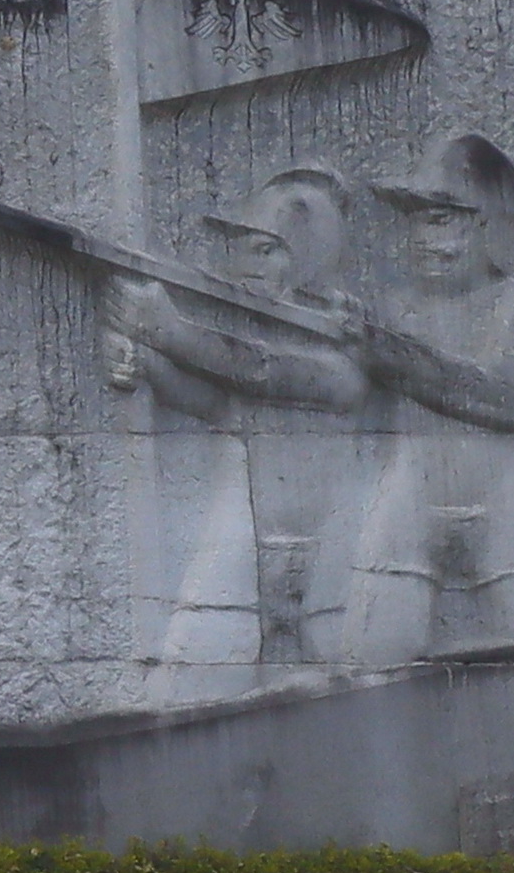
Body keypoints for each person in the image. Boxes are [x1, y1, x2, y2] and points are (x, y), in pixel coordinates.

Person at [109, 167, 369, 693]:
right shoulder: (262, 330)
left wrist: (169, 331)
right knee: (189, 669)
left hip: (328, 553)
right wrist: (145, 363)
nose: (246, 264)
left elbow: (261, 369)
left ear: (309, 258)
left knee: (342, 679)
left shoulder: (346, 355)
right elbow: (222, 407)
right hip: (248, 533)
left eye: (266, 250)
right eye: (241, 249)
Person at [323, 137, 514, 665]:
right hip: (409, 500)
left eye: (440, 221)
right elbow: (341, 390)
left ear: (486, 224)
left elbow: (503, 401)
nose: (422, 239)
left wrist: (385, 353)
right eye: (415, 222)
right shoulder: (392, 306)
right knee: (370, 660)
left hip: (503, 505)